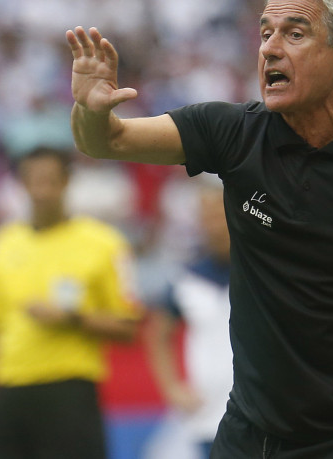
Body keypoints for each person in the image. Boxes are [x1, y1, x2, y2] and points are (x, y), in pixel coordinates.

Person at [65, 0, 333, 457]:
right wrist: (91, 110)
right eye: (265, 33)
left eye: (294, 34)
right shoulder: (232, 133)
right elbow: (109, 140)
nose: (270, 49)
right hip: (247, 433)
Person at [0, 147, 141, 458]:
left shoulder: (104, 243)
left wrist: (72, 317)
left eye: (50, 180)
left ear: (67, 182)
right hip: (10, 392)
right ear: (21, 185)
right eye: (33, 181)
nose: (41, 190)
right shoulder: (2, 244)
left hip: (69, 390)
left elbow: (129, 327)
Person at [145, 177, 233, 458]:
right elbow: (158, 334)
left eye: (218, 213)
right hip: (208, 414)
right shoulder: (187, 278)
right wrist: (172, 388)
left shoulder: (263, 272)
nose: (213, 223)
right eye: (206, 215)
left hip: (263, 412)